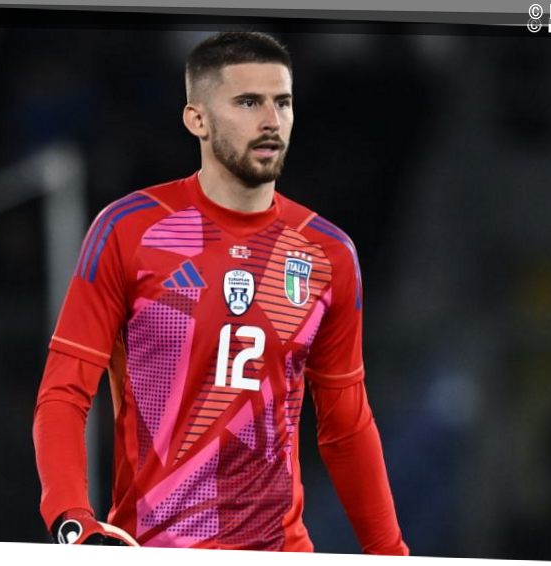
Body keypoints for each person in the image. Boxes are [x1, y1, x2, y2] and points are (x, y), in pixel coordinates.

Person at [33, 30, 409, 555]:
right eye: (248, 102)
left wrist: (390, 550)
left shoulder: (328, 253)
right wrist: (71, 517)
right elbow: (64, 393)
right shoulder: (129, 230)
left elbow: (346, 423)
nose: (271, 120)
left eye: (283, 102)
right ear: (198, 119)